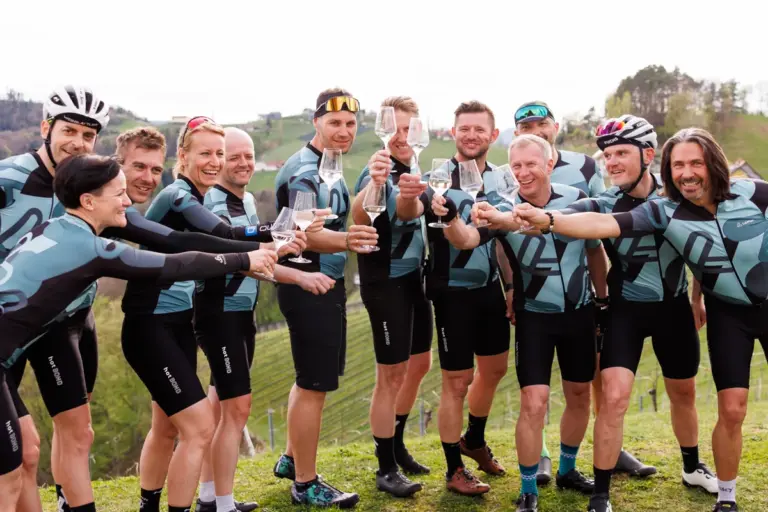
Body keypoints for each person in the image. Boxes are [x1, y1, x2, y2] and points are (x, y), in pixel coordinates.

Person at [501, 127, 765, 512]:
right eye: (606, 156)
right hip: (626, 309)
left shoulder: (685, 195)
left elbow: (707, 252)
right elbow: (586, 221)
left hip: (674, 307)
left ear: (648, 154)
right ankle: (601, 494)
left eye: (621, 153)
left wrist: (698, 297)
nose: (612, 163)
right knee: (614, 396)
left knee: (684, 392)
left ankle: (692, 466)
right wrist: (544, 218)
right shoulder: (620, 202)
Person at [0, 154, 277, 512]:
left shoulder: (53, 228)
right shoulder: (88, 247)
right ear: (89, 201)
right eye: (119, 194)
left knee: (26, 450)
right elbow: (175, 264)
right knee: (6, 475)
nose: (128, 202)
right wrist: (245, 259)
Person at [118, 119, 300, 512]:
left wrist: (272, 242)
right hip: (151, 323)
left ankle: (149, 506)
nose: (215, 161)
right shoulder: (179, 195)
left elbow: (219, 242)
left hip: (179, 321)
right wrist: (279, 229)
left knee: (167, 426)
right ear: (183, 157)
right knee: (199, 426)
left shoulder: (195, 195)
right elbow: (214, 236)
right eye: (205, 153)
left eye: (219, 153)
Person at [434, 134, 604, 512]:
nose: (524, 172)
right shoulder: (501, 207)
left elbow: (595, 251)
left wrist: (603, 302)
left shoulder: (576, 200)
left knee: (579, 395)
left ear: (549, 163)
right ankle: (528, 489)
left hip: (579, 312)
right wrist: (449, 218)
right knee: (534, 402)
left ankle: (568, 469)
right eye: (516, 166)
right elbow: (466, 240)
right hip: (534, 319)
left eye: (531, 164)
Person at [194, 127, 335, 512]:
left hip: (241, 314)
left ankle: (209, 496)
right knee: (236, 409)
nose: (242, 163)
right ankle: (222, 503)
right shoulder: (213, 205)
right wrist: (301, 274)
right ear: (220, 159)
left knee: (220, 407)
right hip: (220, 313)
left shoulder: (248, 203)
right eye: (232, 156)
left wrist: (288, 241)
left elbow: (263, 254)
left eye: (247, 155)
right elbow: (248, 265)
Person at [513, 101, 654, 482]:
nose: (535, 131)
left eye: (541, 124)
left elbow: (599, 230)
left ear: (555, 127)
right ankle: (536, 465)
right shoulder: (511, 179)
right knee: (534, 398)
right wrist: (509, 288)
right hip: (534, 306)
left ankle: (587, 457)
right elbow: (499, 242)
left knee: (588, 386)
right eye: (526, 127)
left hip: (580, 301)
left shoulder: (588, 167)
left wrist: (603, 296)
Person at [0, 85, 110, 512]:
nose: (78, 144)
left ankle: (70, 501)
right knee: (23, 450)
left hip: (68, 322)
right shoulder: (9, 176)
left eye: (88, 136)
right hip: (10, 325)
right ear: (46, 127)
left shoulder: (92, 183)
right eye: (70, 131)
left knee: (79, 433)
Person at [396, 101, 509, 496]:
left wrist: (510, 289)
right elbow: (409, 210)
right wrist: (434, 210)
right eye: (465, 129)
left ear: (493, 136)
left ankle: (473, 439)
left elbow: (500, 242)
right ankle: (454, 469)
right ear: (453, 132)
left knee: (495, 369)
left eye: (480, 129)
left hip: (490, 290)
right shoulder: (434, 179)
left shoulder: (501, 181)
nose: (472, 135)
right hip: (451, 295)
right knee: (457, 382)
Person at [271, 88, 378, 508]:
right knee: (314, 385)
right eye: (335, 123)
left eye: (350, 124)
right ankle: (305, 483)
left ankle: (291, 459)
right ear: (316, 122)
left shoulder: (329, 165)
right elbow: (307, 233)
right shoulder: (302, 171)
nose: (344, 131)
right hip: (306, 282)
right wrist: (350, 241)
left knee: (309, 381)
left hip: (325, 285)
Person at [351, 96, 432, 498]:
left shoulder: (414, 165)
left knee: (420, 363)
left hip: (415, 279)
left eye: (409, 129)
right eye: (396, 129)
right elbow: (360, 216)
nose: (402, 137)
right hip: (384, 282)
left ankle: (397, 445)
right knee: (391, 376)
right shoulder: (377, 169)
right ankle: (385, 467)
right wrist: (377, 184)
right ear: (384, 131)